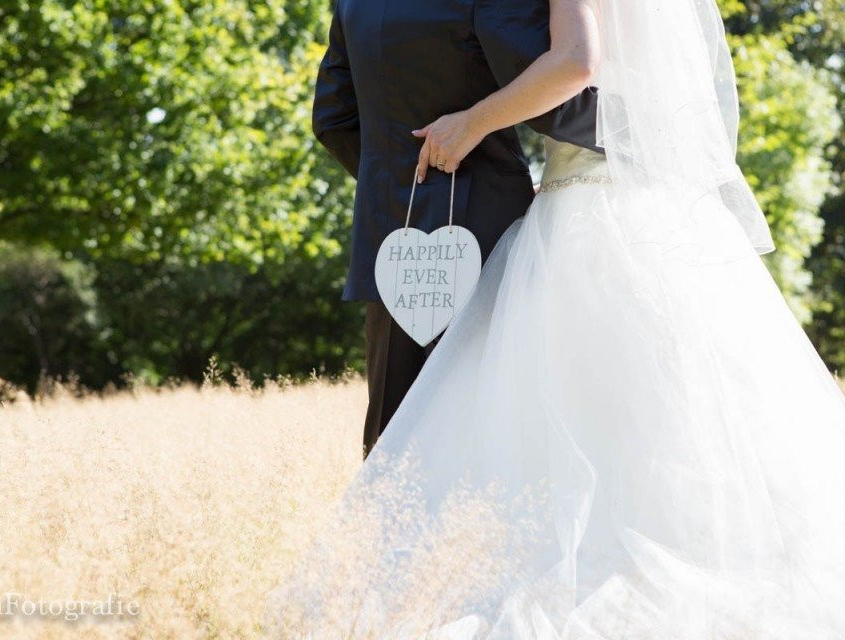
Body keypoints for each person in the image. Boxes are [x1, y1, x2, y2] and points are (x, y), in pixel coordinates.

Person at [267, 0, 845, 636]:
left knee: (448, 428)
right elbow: (567, 77)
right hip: (648, 208)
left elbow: (569, 66)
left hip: (520, 215)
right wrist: (647, 141)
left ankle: (403, 591)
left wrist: (466, 129)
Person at [311, 0, 603, 459]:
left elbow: (332, 120)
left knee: (395, 431)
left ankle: (384, 529)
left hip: (393, 236)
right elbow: (552, 102)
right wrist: (634, 135)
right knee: (484, 429)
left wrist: (406, 186)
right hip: (488, 233)